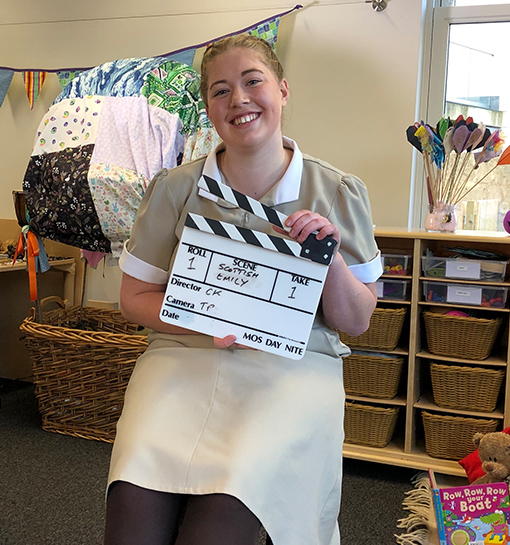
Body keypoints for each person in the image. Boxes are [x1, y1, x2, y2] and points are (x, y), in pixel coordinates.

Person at [104, 34, 382, 545]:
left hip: (291, 370)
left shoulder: (338, 190)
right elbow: (133, 298)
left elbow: (357, 321)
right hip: (180, 360)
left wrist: (331, 256)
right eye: (220, 90)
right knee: (133, 506)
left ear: (282, 88)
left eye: (253, 81)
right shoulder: (175, 188)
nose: (239, 99)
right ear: (207, 107)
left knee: (222, 516)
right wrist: (205, 320)